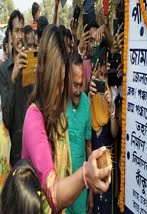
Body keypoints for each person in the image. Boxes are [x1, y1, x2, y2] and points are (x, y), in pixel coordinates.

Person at [22, 24, 111, 213]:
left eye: (63, 83)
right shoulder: (33, 118)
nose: (62, 90)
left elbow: (68, 170)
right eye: (58, 82)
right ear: (46, 77)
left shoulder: (58, 117)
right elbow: (53, 193)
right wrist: (86, 174)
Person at [0, 10, 33, 167]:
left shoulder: (31, 64)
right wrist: (13, 77)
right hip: (13, 155)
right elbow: (6, 117)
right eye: (16, 31)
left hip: (31, 149)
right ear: (10, 35)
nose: (20, 36)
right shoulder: (4, 71)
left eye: (22, 30)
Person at [89, 46, 118, 214]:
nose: (102, 79)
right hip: (92, 162)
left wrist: (111, 108)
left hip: (107, 163)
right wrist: (89, 96)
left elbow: (114, 133)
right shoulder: (89, 98)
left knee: (107, 204)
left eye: (105, 76)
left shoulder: (111, 94)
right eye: (99, 75)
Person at [66, 52, 92, 214]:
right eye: (74, 85)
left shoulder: (87, 105)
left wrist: (90, 192)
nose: (77, 90)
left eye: (81, 85)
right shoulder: (59, 103)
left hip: (81, 188)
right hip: (61, 185)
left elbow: (88, 146)